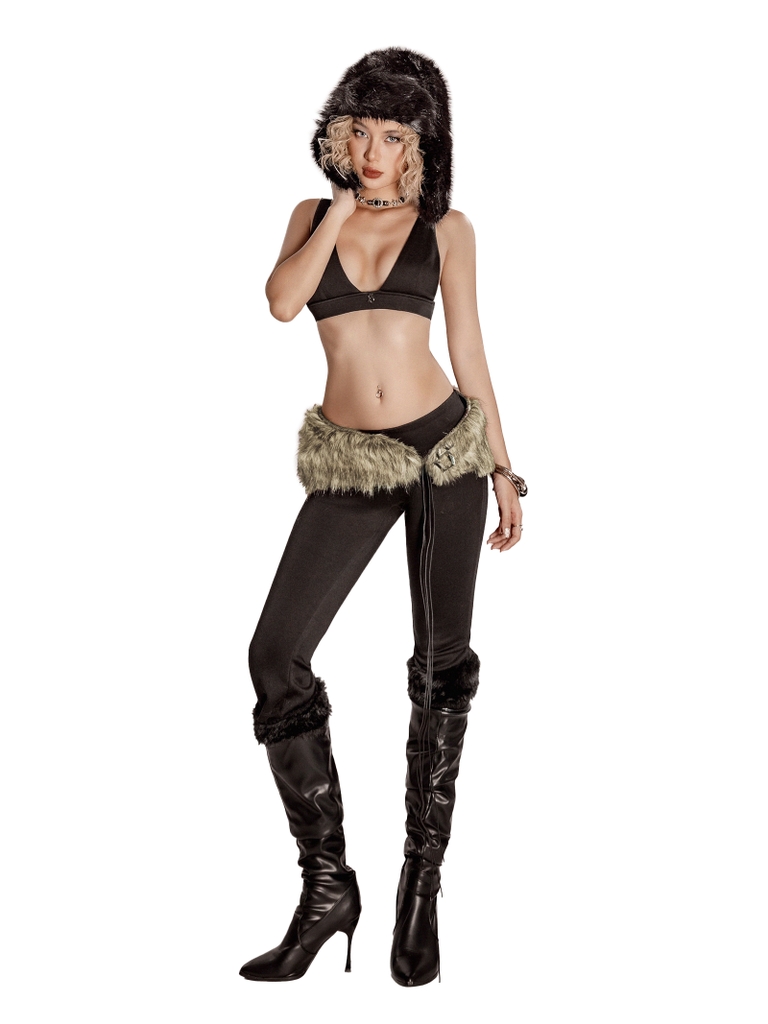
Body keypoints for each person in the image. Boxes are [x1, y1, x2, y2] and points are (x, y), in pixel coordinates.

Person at [239, 48, 526, 987]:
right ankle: (328, 887)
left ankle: (420, 886)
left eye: (394, 136)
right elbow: (282, 304)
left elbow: (469, 352)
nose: (373, 151)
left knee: (441, 667)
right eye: (359, 130)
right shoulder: (309, 216)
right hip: (352, 463)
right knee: (275, 653)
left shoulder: (446, 229)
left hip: (444, 453)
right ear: (338, 134)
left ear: (420, 145)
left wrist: (505, 469)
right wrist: (335, 210)